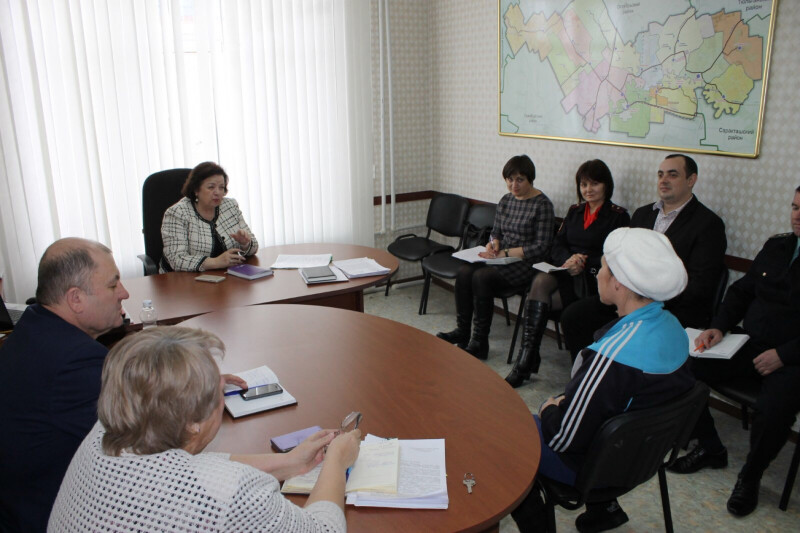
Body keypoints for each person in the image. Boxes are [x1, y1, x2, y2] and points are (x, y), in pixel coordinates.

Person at [48, 326, 361, 532]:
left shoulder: (105, 430)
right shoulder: (231, 491)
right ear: (193, 423)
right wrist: (336, 462)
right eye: (218, 391)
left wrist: (289, 462)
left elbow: (190, 469)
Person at [510, 228, 695, 533]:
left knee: (511, 434)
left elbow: (563, 438)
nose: (598, 274)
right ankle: (605, 510)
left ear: (618, 283)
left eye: (603, 268)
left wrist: (549, 408)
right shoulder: (673, 328)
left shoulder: (614, 357)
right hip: (645, 456)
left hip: (598, 468)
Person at [668, 186, 800, 517]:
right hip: (751, 342)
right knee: (685, 365)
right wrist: (719, 326)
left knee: (773, 409)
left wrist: (783, 355)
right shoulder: (778, 246)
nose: (797, 216)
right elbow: (742, 291)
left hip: (792, 358)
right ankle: (710, 447)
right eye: (795, 207)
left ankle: (750, 477)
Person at [0, 238, 130, 533]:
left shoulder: (34, 328)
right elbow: (135, 447)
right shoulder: (75, 361)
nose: (124, 293)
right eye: (113, 285)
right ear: (75, 299)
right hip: (53, 517)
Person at [560, 154, 726, 359]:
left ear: (691, 180)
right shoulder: (642, 214)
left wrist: (648, 298)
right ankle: (587, 373)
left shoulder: (708, 224)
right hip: (630, 300)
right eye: (660, 175)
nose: (664, 180)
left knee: (623, 336)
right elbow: (622, 261)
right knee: (573, 316)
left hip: (671, 308)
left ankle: (616, 373)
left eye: (672, 175)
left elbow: (701, 284)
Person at [505, 160, 629, 388]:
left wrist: (583, 263)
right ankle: (527, 358)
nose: (588, 190)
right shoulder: (575, 211)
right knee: (540, 282)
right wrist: (569, 260)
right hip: (566, 270)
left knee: (540, 299)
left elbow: (616, 256)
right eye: (583, 184)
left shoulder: (618, 216)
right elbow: (557, 244)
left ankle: (527, 361)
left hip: (594, 280)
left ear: (606, 185)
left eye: (594, 184)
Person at [437, 155, 555, 359]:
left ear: (530, 179)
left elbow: (542, 248)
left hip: (526, 264)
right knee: (464, 272)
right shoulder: (506, 200)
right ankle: (463, 331)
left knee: (481, 277)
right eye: (509, 179)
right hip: (501, 258)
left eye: (520, 180)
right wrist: (493, 243)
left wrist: (507, 252)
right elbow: (496, 231)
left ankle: (479, 341)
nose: (513, 185)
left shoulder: (542, 205)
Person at [161, 161, 259, 272]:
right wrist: (215, 262)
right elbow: (176, 259)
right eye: (211, 187)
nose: (217, 192)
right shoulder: (177, 213)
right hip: (184, 278)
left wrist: (245, 243)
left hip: (225, 275)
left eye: (221, 187)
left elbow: (254, 246)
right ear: (196, 189)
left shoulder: (230, 206)